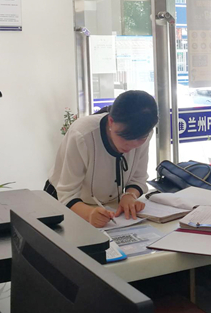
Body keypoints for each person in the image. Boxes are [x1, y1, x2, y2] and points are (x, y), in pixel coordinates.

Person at [45, 90, 158, 228]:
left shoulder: (144, 132)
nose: (132, 145)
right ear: (111, 121)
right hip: (63, 204)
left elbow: (138, 178)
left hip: (106, 207)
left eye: (141, 138)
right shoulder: (82, 135)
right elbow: (66, 193)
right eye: (125, 137)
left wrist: (129, 195)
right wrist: (89, 214)